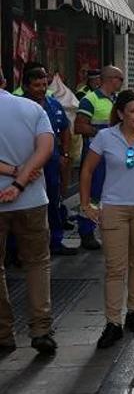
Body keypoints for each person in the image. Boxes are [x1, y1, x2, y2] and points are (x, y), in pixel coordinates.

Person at [80, 90, 134, 348]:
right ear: (120, 114)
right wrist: (86, 204)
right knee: (115, 267)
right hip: (114, 208)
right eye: (132, 111)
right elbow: (87, 170)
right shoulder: (105, 137)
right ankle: (112, 323)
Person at [0, 69, 58, 355]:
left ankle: (3, 334)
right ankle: (41, 329)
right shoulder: (32, 108)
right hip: (33, 199)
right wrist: (21, 179)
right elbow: (45, 148)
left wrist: (11, 174)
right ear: (4, 81)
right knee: (37, 263)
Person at [22, 67, 77, 256]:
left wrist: (65, 155)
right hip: (25, 163)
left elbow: (65, 130)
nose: (42, 89)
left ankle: (55, 242)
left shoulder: (54, 105)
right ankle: (21, 249)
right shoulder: (20, 105)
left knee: (53, 201)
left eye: (44, 84)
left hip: (52, 162)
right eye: (37, 85)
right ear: (26, 86)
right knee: (25, 204)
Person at [74, 65, 124, 250]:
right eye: (121, 79)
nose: (122, 83)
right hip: (96, 154)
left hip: (113, 156)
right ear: (112, 79)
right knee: (92, 194)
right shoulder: (90, 100)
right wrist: (103, 134)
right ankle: (86, 232)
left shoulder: (117, 100)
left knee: (108, 193)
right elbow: (79, 126)